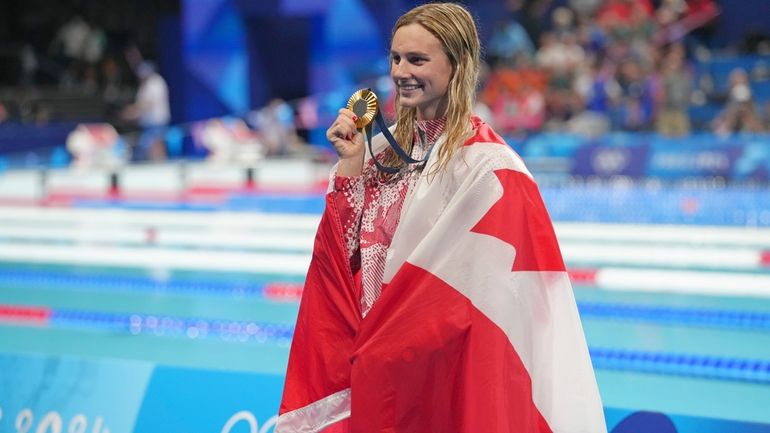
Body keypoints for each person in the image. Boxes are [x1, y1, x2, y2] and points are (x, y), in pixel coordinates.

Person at [276, 3, 605, 433]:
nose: (401, 71)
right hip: (373, 361)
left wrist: (403, 340)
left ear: (458, 64)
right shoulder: (384, 154)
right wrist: (352, 164)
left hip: (433, 369)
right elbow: (346, 257)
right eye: (395, 58)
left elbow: (501, 296)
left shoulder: (490, 167)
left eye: (417, 59)